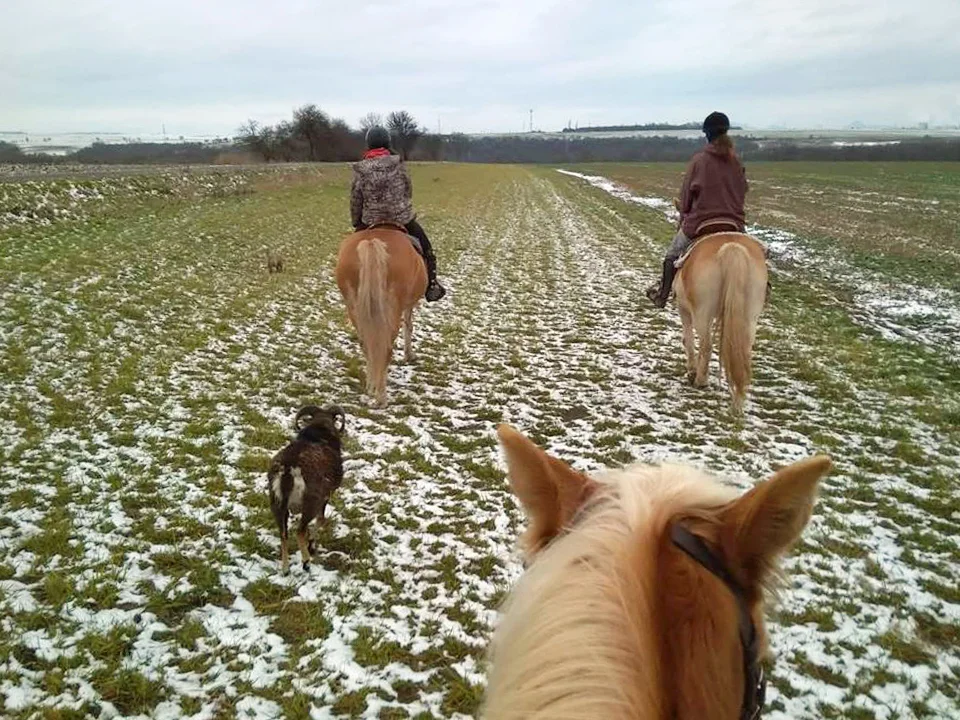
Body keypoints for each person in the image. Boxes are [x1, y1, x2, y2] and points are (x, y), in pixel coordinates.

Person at [646, 111, 748, 308]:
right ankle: (765, 287)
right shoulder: (737, 162)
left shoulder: (699, 161)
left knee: (671, 256)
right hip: (733, 223)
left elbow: (686, 198)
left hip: (701, 223)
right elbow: (743, 190)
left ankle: (662, 295)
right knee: (756, 253)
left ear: (707, 135)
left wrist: (684, 211)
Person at [350, 126, 446, 302]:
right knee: (426, 246)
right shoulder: (399, 165)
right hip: (400, 218)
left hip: (370, 220)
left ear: (368, 145)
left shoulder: (360, 169)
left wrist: (357, 222)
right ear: (388, 143)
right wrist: (403, 209)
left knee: (350, 251)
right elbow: (408, 190)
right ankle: (432, 284)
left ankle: (352, 286)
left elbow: (356, 199)